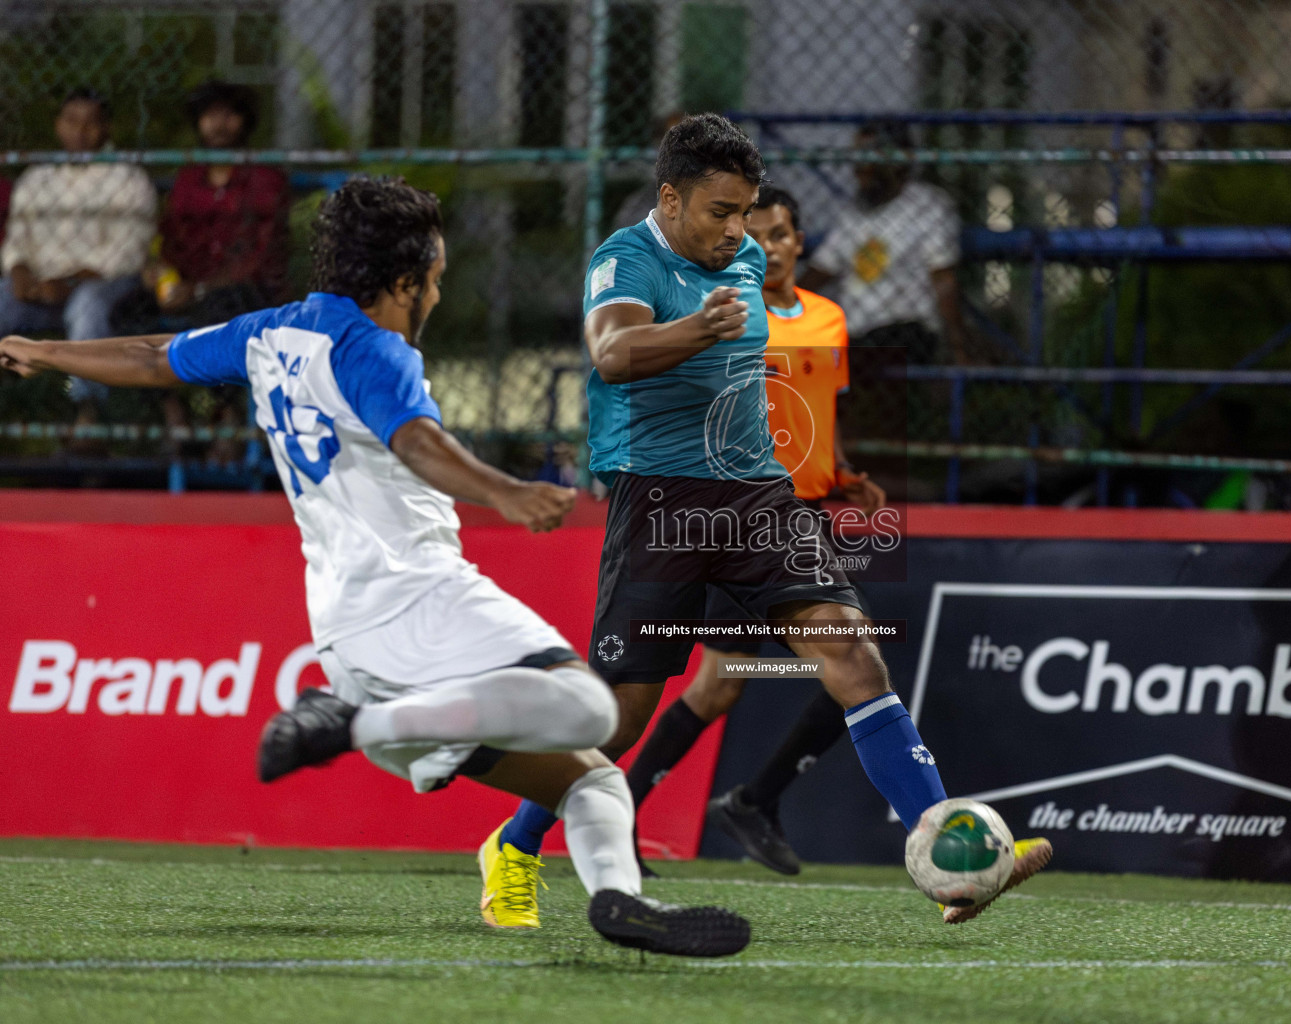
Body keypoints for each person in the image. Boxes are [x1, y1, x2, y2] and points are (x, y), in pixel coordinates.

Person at [0, 176, 750, 959]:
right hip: (417, 601)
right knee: (592, 710)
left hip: (347, 638)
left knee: (589, 779)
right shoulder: (374, 347)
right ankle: (350, 725)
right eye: (433, 277)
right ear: (402, 281)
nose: (435, 290)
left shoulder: (271, 333)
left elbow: (156, 355)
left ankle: (621, 901)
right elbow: (418, 444)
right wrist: (510, 494)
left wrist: (44, 350)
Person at [493, 113, 1050, 926]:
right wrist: (696, 328)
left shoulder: (748, 258)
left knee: (852, 653)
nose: (737, 230)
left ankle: (942, 847)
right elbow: (613, 353)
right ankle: (512, 846)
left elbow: (767, 390)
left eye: (746, 210)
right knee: (619, 720)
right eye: (721, 211)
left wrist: (832, 468)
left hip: (757, 498)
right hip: (659, 500)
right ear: (671, 196)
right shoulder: (625, 259)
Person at [622, 185, 885, 877]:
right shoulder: (726, 316)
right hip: (741, 518)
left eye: (780, 233)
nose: (768, 246)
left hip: (805, 518)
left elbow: (816, 417)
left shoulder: (829, 318)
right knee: (731, 683)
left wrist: (844, 473)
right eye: (754, 235)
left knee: (835, 674)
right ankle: (699, 804)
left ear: (800, 242)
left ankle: (747, 801)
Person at [0, 88, 157, 421]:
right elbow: (17, 241)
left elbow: (127, 254)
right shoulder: (36, 178)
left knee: (89, 306)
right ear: (58, 125)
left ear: (107, 129)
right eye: (72, 121)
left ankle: (88, 411)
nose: (81, 131)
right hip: (38, 290)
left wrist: (69, 282)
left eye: (91, 123)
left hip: (104, 287)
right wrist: (19, 272)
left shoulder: (128, 179)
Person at [798, 119, 969, 369]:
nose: (859, 167)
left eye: (868, 156)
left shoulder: (927, 205)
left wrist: (957, 347)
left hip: (907, 329)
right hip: (855, 335)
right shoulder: (853, 214)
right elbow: (819, 272)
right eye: (856, 157)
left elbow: (943, 278)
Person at [139, 79, 290, 326]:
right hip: (188, 288)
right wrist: (159, 271)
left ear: (245, 121)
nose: (219, 125)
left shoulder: (264, 179)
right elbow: (171, 237)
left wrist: (199, 289)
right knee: (127, 311)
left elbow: (261, 257)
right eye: (210, 116)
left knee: (221, 306)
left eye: (229, 115)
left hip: (247, 291)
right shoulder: (188, 179)